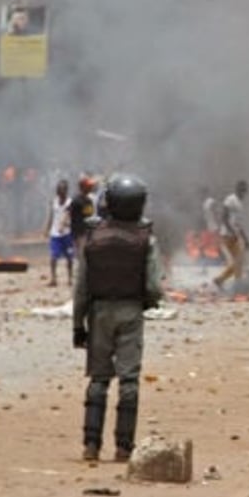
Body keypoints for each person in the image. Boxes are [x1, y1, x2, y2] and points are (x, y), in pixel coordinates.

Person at [73, 174, 164, 462]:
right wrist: (148, 303)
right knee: (129, 381)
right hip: (131, 311)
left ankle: (91, 444)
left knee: (99, 379)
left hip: (99, 312)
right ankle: (124, 447)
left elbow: (81, 287)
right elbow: (153, 286)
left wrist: (78, 324)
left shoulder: (93, 236)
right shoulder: (145, 238)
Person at [213, 180, 249, 290]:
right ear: (237, 189)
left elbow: (238, 224)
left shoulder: (239, 203)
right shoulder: (230, 199)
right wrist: (232, 232)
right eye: (242, 189)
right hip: (227, 235)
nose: (244, 192)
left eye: (245, 190)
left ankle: (221, 280)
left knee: (239, 261)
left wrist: (245, 239)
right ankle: (233, 283)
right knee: (238, 261)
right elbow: (224, 217)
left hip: (235, 235)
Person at [45, 179, 75, 287]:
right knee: (53, 257)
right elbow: (51, 216)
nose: (61, 193)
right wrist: (47, 229)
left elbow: (69, 215)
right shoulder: (54, 202)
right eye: (59, 191)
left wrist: (64, 225)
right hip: (55, 233)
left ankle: (70, 278)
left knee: (69, 257)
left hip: (67, 233)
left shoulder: (70, 202)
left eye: (63, 191)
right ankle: (53, 279)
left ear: (66, 191)